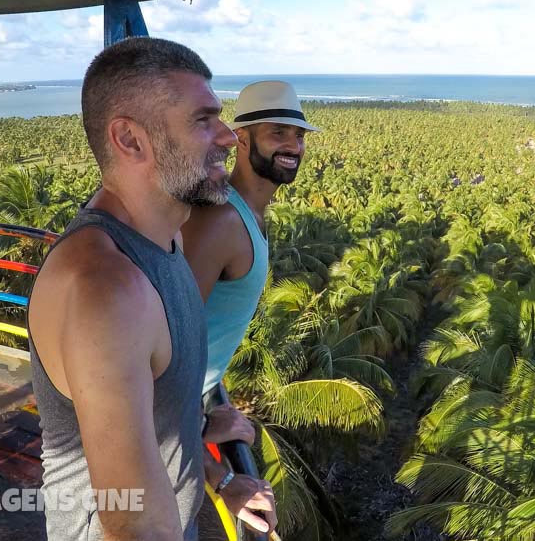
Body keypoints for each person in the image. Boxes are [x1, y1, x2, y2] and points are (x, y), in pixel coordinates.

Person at [27, 37, 276, 541]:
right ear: (131, 140)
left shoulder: (167, 244)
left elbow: (155, 421)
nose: (229, 137)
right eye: (203, 121)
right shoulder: (107, 288)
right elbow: (136, 523)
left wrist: (218, 473)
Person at [183, 81, 319, 392]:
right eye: (278, 133)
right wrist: (191, 416)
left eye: (299, 136)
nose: (294, 146)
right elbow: (171, 333)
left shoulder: (249, 214)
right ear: (241, 140)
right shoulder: (222, 220)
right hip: (169, 414)